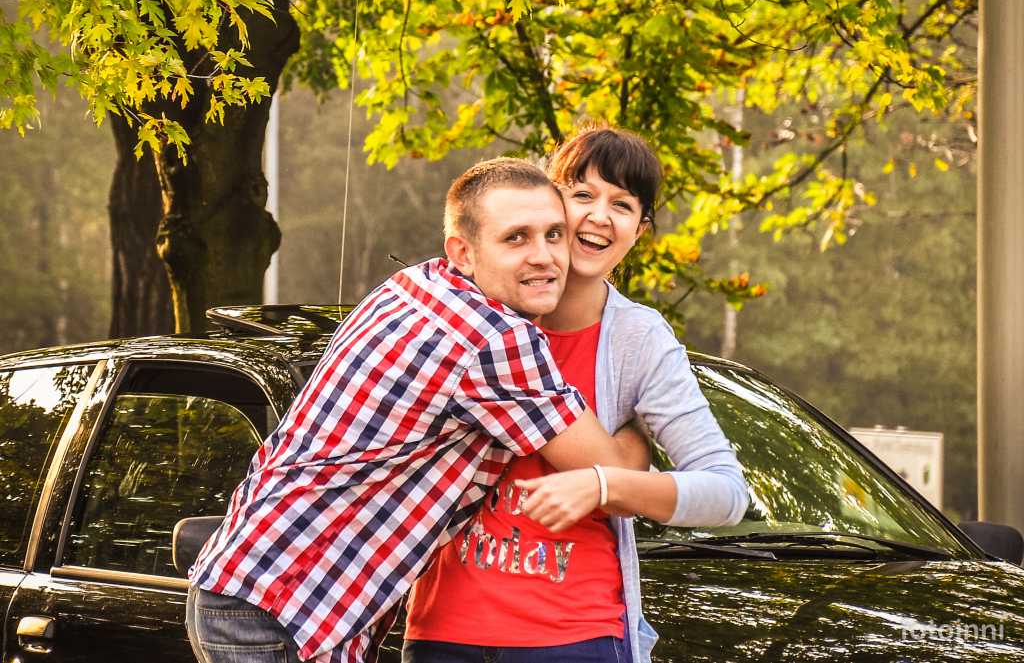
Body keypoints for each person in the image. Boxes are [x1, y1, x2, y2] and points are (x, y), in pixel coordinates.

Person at [185, 158, 651, 663]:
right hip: (286, 608)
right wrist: (645, 407)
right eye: (516, 238)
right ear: (463, 252)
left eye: (554, 234)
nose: (544, 256)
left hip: (254, 586)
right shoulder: (494, 339)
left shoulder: (412, 286)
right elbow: (618, 481)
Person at [404, 127, 748, 663]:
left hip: (575, 637)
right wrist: (624, 452)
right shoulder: (466, 314)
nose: (599, 216)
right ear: (549, 201)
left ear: (640, 229)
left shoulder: (638, 339)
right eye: (582, 194)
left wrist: (605, 483)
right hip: (442, 632)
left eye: (623, 205)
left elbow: (726, 493)